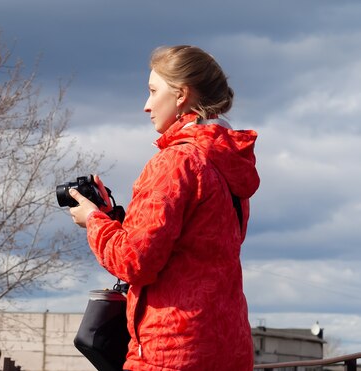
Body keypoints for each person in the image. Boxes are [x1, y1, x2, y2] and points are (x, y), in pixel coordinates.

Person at [69, 45, 259, 371]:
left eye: (153, 91)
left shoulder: (175, 162)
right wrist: (116, 219)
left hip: (173, 349)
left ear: (181, 94)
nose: (146, 105)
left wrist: (94, 220)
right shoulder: (227, 163)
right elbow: (187, 248)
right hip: (228, 344)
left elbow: (135, 261)